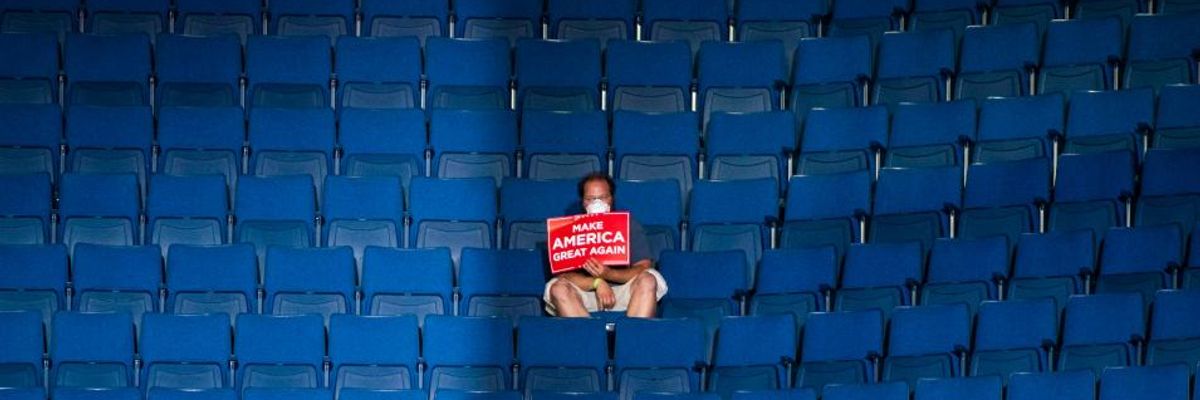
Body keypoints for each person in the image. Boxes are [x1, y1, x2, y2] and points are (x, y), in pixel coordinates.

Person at [543, 172, 668, 318]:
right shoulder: (568, 228)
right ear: (583, 202)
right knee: (556, 287)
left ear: (611, 199)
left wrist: (608, 274)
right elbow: (563, 274)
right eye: (590, 198)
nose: (596, 203)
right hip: (585, 294)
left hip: (624, 292)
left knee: (649, 278)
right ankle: (589, 337)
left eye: (602, 197)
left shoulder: (628, 224)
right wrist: (597, 282)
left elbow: (643, 266)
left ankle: (633, 337)